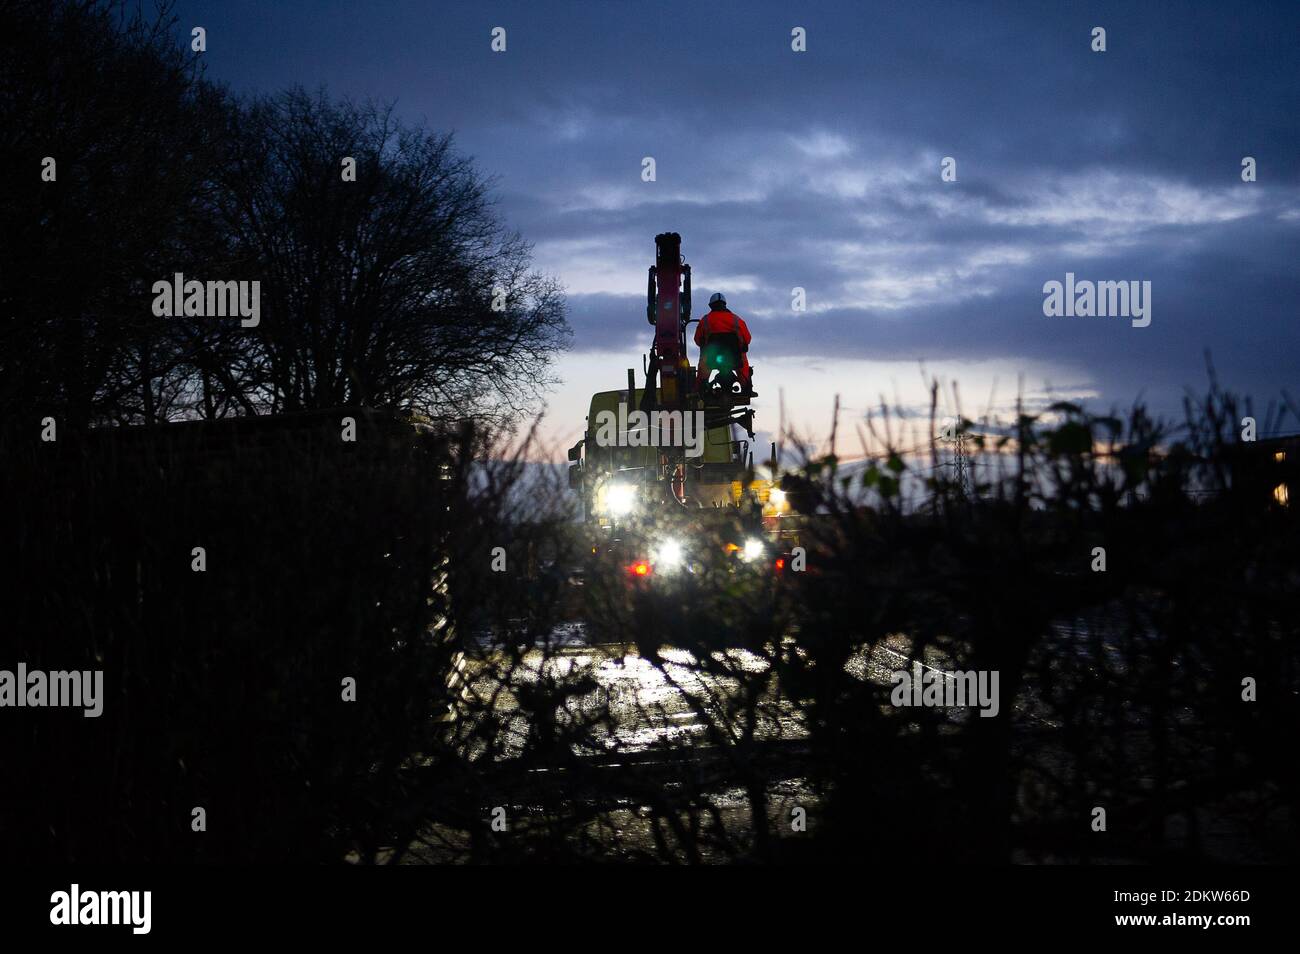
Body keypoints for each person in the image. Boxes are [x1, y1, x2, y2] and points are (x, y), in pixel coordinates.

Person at [694, 292, 752, 396]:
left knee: (703, 362)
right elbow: (747, 339)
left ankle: (700, 389)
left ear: (711, 305)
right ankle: (746, 388)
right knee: (743, 360)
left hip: (711, 358)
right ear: (725, 304)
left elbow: (697, 340)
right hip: (734, 358)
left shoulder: (705, 320)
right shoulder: (736, 320)